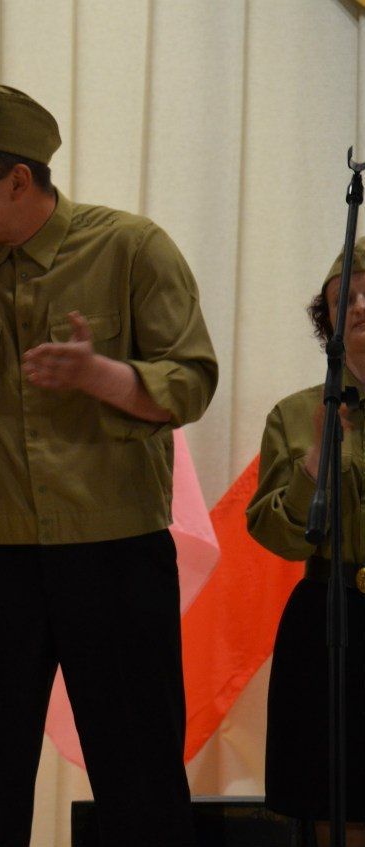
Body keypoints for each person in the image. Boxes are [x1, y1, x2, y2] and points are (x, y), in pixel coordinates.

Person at [0, 85, 217, 847]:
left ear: (18, 180)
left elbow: (191, 381)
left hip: (115, 554)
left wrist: (101, 375)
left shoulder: (130, 248)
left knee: (139, 777)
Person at [247, 240, 365, 847]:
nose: (359, 306)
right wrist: (317, 459)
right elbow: (275, 535)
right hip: (329, 613)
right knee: (331, 800)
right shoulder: (296, 414)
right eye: (346, 298)